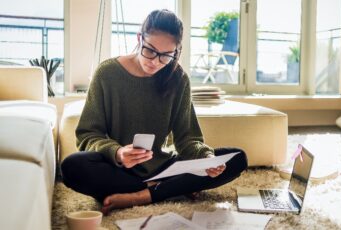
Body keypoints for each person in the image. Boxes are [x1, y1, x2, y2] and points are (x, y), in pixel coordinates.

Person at [61, 9, 248, 215]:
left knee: (237, 158)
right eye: (150, 50)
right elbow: (88, 134)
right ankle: (168, 189)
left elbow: (187, 139)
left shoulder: (178, 79)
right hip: (120, 170)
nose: (155, 62)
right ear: (140, 38)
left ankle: (142, 196)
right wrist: (118, 152)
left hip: (164, 167)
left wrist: (205, 157)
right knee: (72, 166)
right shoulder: (106, 74)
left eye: (166, 56)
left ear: (175, 52)